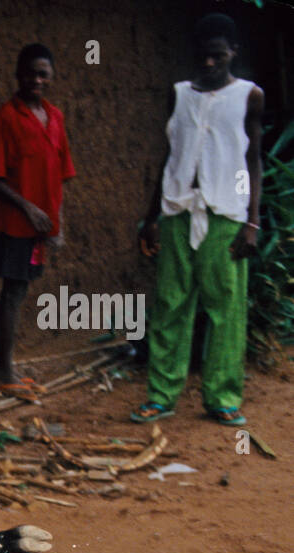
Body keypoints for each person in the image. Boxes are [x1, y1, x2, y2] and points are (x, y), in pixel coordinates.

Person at [132, 13, 262, 427]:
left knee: (226, 308)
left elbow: (253, 160)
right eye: (203, 56)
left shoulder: (248, 96)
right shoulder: (179, 95)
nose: (209, 64)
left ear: (233, 54)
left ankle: (222, 398)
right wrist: (152, 218)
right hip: (177, 213)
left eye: (218, 56)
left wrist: (252, 222)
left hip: (226, 215)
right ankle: (161, 395)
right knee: (171, 304)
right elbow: (169, 158)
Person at [0, 43, 76, 402]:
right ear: (18, 74)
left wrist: (57, 221)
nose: (36, 79)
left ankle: (8, 368)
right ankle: (3, 372)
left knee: (20, 291)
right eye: (30, 73)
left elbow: (61, 175)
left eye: (43, 74)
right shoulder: (5, 117)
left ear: (51, 77)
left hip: (39, 229)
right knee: (12, 291)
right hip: (14, 224)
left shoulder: (55, 118)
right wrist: (27, 208)